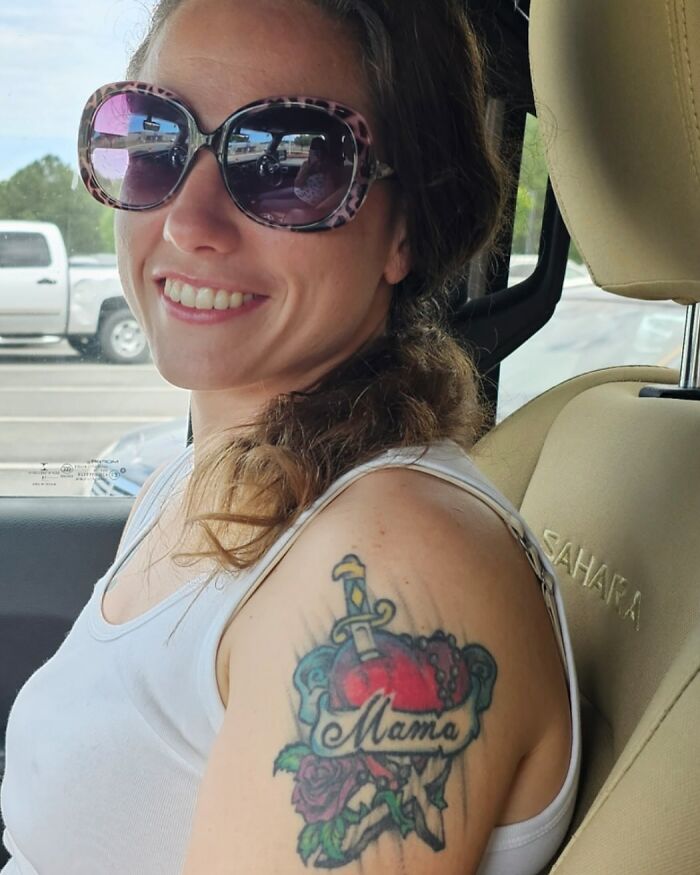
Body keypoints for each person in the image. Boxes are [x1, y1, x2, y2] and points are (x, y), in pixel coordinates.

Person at [0, 1, 581, 873]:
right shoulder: (195, 478)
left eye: (290, 161)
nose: (189, 221)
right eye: (153, 138)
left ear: (407, 227)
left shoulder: (399, 567)